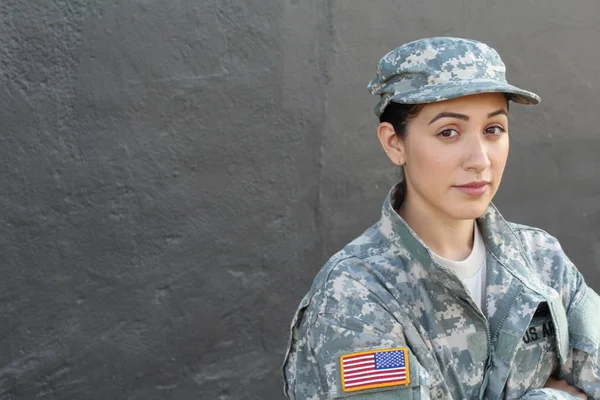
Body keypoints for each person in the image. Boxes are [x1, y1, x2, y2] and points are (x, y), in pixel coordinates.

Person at [282, 37, 600, 400]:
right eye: (448, 132)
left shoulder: (542, 260)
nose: (480, 159)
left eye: (493, 130)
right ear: (394, 143)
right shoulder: (356, 294)